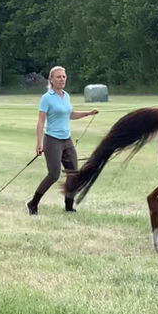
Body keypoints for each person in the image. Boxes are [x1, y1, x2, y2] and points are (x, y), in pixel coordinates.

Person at [25, 66, 98, 215]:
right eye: (58, 77)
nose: (62, 79)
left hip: (67, 140)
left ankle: (69, 206)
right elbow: (40, 121)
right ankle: (33, 203)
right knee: (53, 175)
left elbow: (70, 115)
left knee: (73, 174)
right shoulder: (47, 98)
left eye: (64, 77)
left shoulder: (66, 96)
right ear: (51, 80)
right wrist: (38, 143)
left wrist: (88, 113)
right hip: (52, 140)